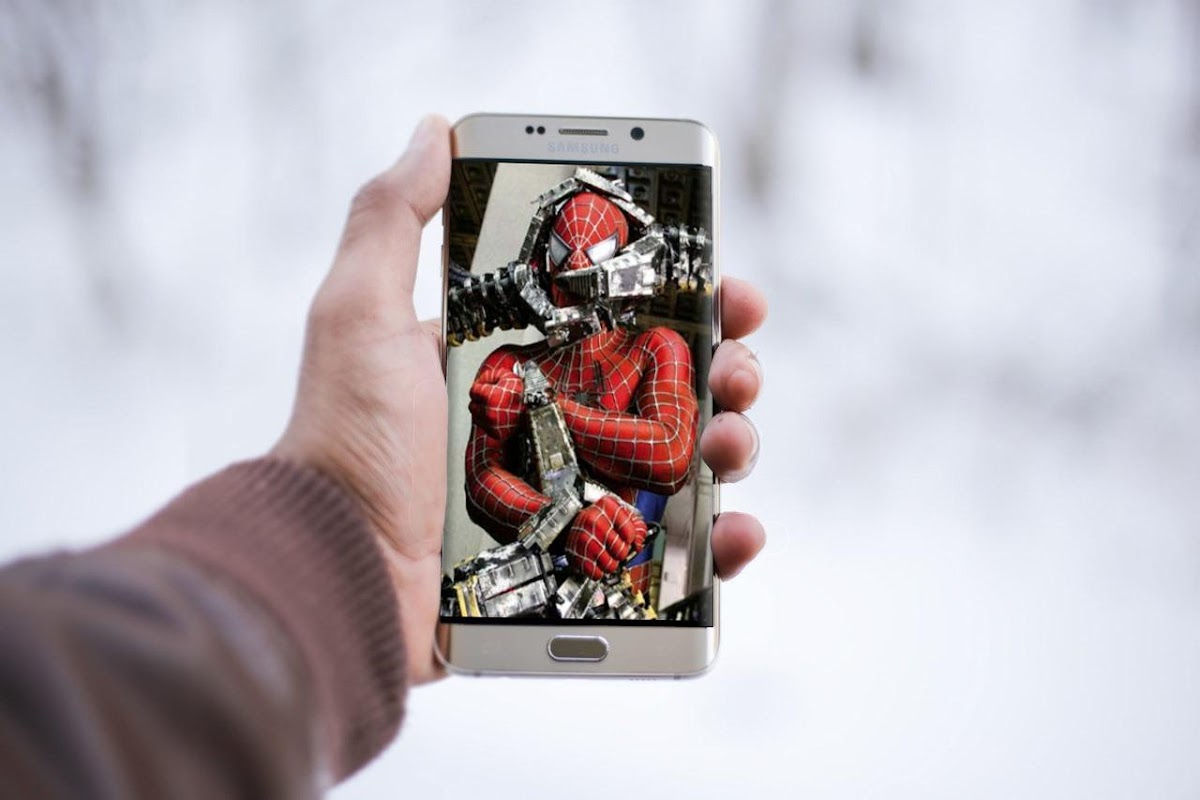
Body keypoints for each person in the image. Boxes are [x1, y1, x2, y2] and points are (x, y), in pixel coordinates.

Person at [0, 116, 767, 798]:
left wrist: (549, 407)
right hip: (524, 572)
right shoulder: (506, 364)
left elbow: (671, 452)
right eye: (557, 260)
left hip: (635, 582)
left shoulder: (655, 348)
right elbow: (479, 479)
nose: (564, 282)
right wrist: (557, 521)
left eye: (582, 263)